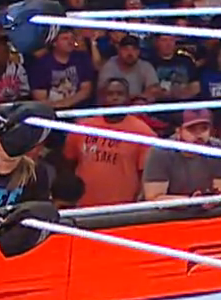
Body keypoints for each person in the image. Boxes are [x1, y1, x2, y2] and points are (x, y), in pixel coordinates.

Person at [62, 78, 155, 206]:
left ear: (128, 98)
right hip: (82, 205)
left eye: (119, 94)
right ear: (101, 99)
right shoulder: (82, 128)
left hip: (121, 207)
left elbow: (146, 175)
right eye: (110, 94)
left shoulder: (143, 132)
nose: (115, 98)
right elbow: (68, 164)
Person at [143, 109, 221, 200]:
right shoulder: (161, 152)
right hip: (171, 208)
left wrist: (214, 200)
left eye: (204, 128)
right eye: (191, 129)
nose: (199, 135)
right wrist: (191, 201)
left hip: (208, 206)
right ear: (178, 131)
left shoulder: (217, 149)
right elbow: (154, 197)